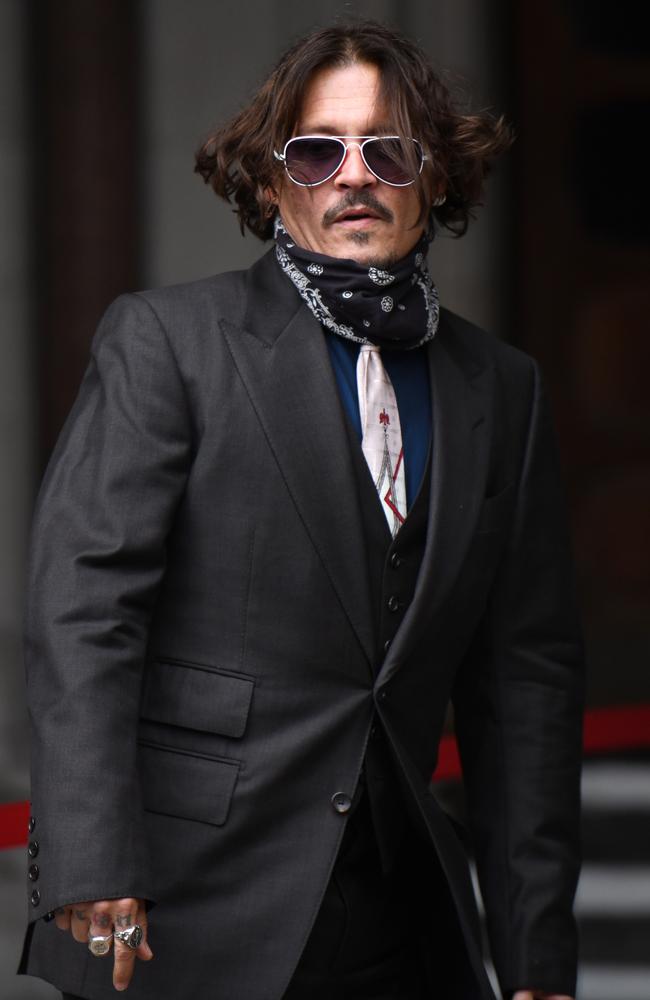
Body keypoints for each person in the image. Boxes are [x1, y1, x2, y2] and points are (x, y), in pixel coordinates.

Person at [19, 19, 584, 1000]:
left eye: (389, 150)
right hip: (183, 911)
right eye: (319, 150)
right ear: (274, 182)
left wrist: (534, 956)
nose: (352, 175)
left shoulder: (503, 388)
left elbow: (522, 685)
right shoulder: (168, 341)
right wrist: (90, 853)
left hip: (397, 918)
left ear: (436, 178)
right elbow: (84, 609)